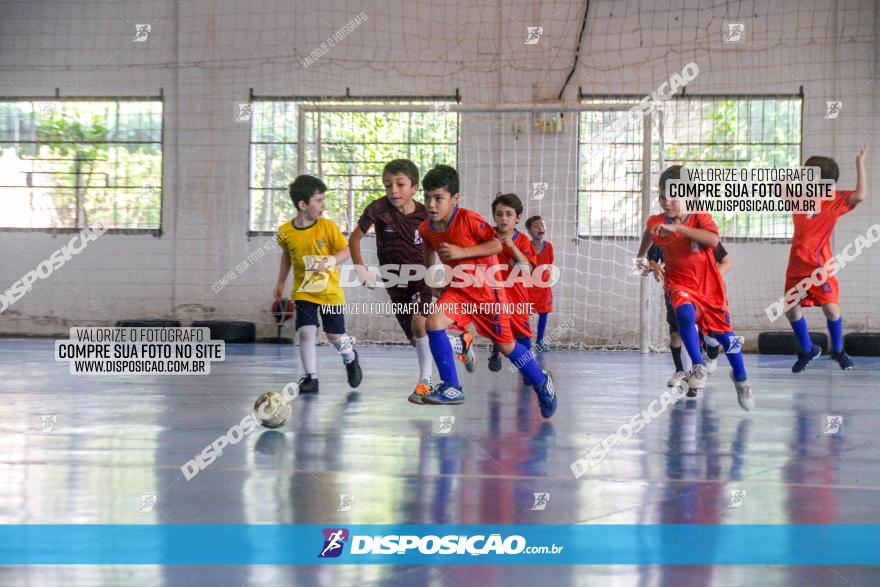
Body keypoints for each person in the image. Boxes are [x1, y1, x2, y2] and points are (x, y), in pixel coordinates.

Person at [417, 165, 557, 417]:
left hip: (488, 293)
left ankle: (540, 380)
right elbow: (428, 248)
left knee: (507, 347)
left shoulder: (468, 220)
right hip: (459, 291)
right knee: (434, 322)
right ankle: (451, 387)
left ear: (455, 199)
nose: (431, 204)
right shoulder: (426, 227)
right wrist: (431, 277)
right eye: (427, 197)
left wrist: (462, 252)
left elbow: (495, 244)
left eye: (439, 198)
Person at [637, 165, 754, 411]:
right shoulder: (657, 222)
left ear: (689, 195)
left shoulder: (700, 217)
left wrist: (679, 228)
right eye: (662, 196)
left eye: (673, 196)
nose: (666, 202)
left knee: (726, 337)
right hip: (680, 284)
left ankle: (741, 379)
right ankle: (698, 366)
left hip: (710, 288)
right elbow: (648, 234)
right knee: (684, 314)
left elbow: (713, 240)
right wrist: (644, 259)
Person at [349, 159, 434, 403]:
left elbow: (438, 243)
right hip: (394, 283)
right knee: (415, 339)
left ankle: (425, 383)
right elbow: (354, 239)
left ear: (415, 188)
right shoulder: (377, 209)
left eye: (400, 184)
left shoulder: (425, 214)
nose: (393, 190)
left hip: (421, 278)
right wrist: (361, 269)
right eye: (388, 185)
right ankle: (459, 344)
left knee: (420, 325)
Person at [273, 175, 362, 393]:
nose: (323, 205)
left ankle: (350, 357)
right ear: (303, 205)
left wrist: (330, 261)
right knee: (305, 332)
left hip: (329, 292)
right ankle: (310, 378)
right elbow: (286, 256)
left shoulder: (328, 227)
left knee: (334, 336)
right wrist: (281, 281)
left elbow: (346, 250)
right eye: (319, 200)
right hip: (303, 292)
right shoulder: (285, 232)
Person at [785, 146, 868, 373]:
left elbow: (860, 195)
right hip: (797, 265)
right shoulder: (797, 197)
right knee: (790, 307)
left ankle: (839, 351)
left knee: (831, 309)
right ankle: (807, 349)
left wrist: (859, 163)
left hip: (820, 265)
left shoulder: (834, 200)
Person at [646, 241, 732, 385]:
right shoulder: (661, 238)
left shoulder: (705, 236)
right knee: (678, 331)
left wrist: (709, 278)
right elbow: (645, 262)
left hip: (707, 291)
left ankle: (712, 352)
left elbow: (727, 262)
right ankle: (685, 372)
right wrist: (652, 266)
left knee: (710, 330)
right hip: (677, 291)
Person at [486, 193, 538, 372]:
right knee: (496, 324)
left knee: (523, 335)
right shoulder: (486, 236)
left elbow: (528, 270)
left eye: (509, 214)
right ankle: (497, 350)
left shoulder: (522, 240)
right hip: (491, 293)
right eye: (499, 214)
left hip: (517, 295)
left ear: (518, 217)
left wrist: (512, 247)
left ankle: (528, 371)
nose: (503, 219)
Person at [525, 215, 554, 350]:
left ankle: (540, 341)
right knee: (524, 314)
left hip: (543, 287)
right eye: (536, 226)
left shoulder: (549, 247)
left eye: (542, 225)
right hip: (528, 287)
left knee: (544, 313)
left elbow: (550, 263)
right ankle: (525, 339)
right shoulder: (525, 246)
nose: (540, 228)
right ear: (529, 231)